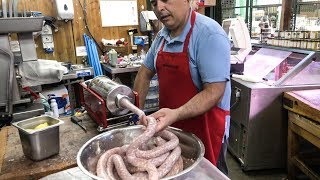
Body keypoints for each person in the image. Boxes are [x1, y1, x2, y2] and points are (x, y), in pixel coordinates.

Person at [133, 0, 231, 172]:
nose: (159, 8)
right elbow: (144, 73)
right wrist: (137, 114)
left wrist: (176, 113)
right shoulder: (162, 37)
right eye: (154, 3)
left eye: (165, 0)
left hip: (206, 129)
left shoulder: (209, 35)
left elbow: (215, 92)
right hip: (171, 129)